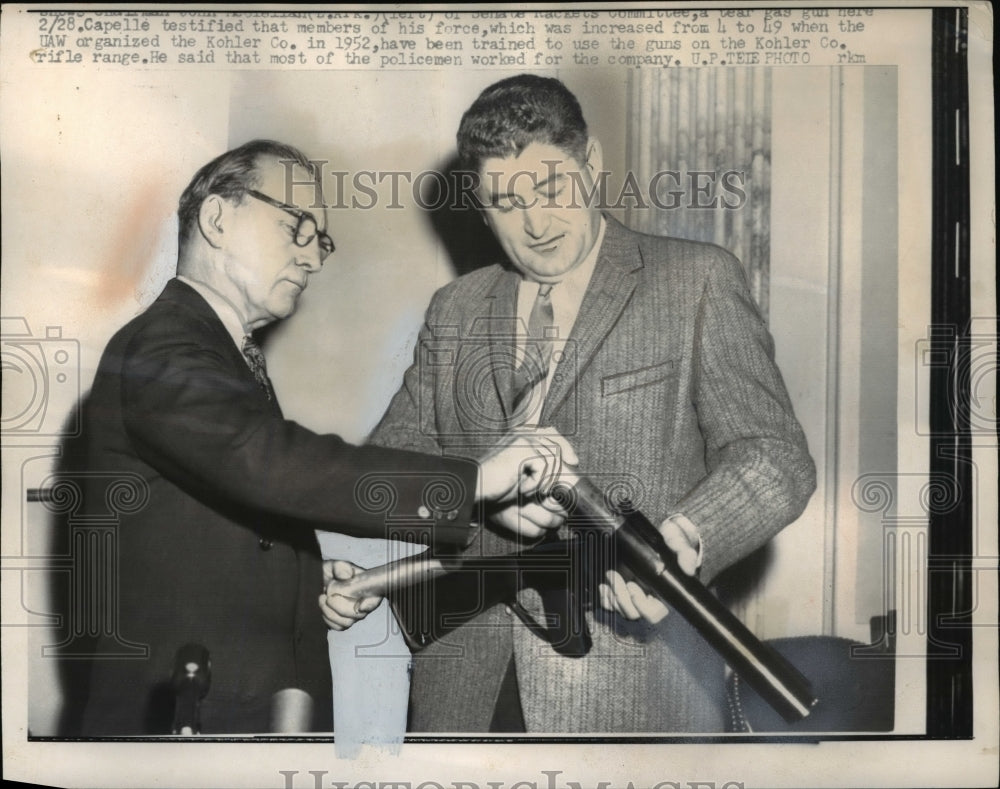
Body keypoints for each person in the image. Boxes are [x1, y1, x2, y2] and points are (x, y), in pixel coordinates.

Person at [64, 139, 575, 736]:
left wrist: (305, 577)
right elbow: (267, 462)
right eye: (297, 226)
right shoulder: (161, 345)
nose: (313, 258)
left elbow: (233, 511)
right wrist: (477, 479)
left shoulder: (219, 353)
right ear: (217, 218)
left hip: (235, 716)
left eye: (320, 240)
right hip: (183, 722)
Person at [360, 75, 817, 733]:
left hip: (636, 692)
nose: (536, 223)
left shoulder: (695, 281)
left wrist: (684, 539)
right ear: (480, 206)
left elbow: (775, 459)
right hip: (463, 692)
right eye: (506, 202)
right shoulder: (454, 309)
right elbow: (380, 475)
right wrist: (478, 492)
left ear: (592, 164)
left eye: (551, 189)